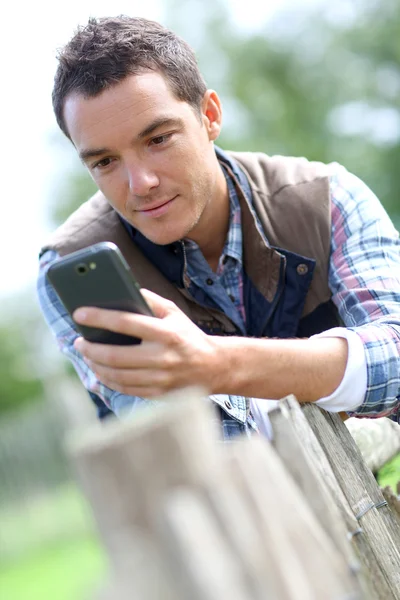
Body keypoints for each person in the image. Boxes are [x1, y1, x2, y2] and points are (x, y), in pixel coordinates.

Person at [37, 16, 400, 439]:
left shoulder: (327, 200)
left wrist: (218, 364)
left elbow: (394, 355)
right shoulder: (70, 267)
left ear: (209, 115)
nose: (141, 184)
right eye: (105, 162)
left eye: (158, 139)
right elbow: (184, 441)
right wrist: (335, 383)